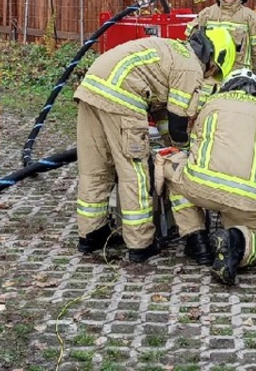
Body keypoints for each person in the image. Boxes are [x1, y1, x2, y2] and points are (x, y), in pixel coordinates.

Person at [74, 28, 236, 264]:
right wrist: (183, 152)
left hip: (92, 88)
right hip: (123, 97)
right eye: (214, 71)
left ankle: (92, 234)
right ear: (213, 59)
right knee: (135, 173)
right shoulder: (191, 67)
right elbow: (178, 122)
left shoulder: (172, 51)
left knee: (95, 168)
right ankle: (140, 244)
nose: (209, 75)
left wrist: (169, 143)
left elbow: (162, 113)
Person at [154, 68, 256, 286]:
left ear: (227, 87)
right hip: (247, 199)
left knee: (172, 171)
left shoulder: (211, 104)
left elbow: (193, 146)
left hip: (201, 187)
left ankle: (197, 240)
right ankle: (234, 240)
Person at [186, 0, 256, 104]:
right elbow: (191, 44)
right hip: (208, 82)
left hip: (238, 82)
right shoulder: (206, 15)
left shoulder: (251, 18)